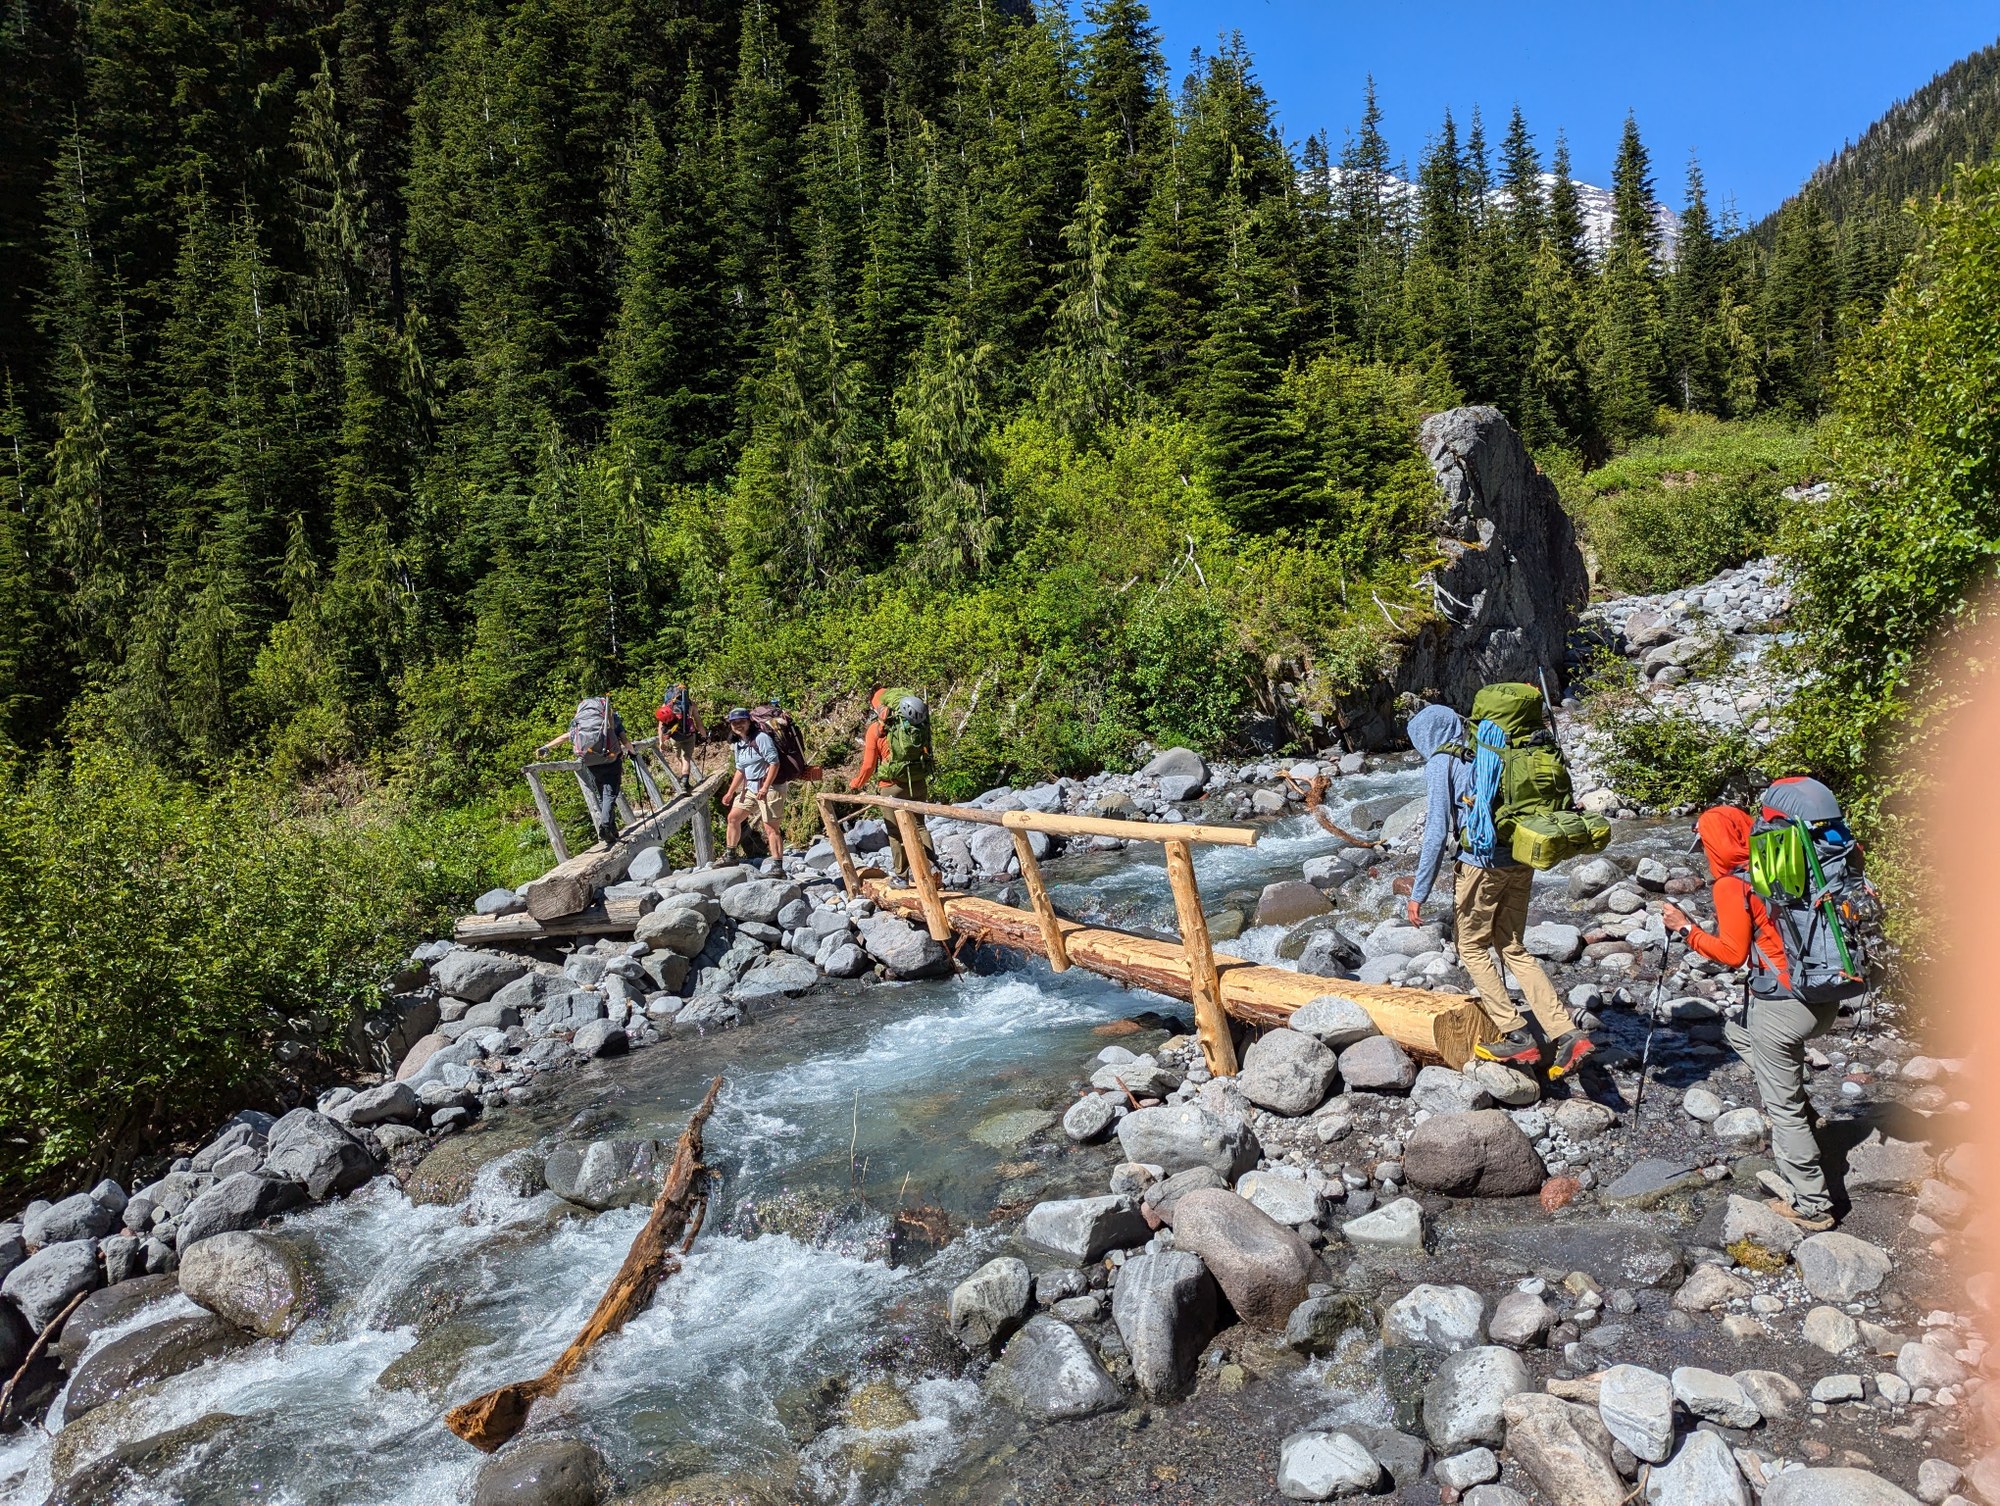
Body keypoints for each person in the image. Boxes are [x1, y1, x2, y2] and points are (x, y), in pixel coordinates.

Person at [1663, 804, 1837, 1231]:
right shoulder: (1787, 868)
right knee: (1736, 1029)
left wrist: (1686, 929)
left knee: (1783, 1108)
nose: (1705, 853)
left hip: (1783, 1008)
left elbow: (1731, 954)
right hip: (1825, 995)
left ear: (1717, 844)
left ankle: (1813, 1205)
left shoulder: (1732, 884)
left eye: (1706, 844)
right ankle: (1805, 1114)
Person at [1405, 702, 1594, 1079]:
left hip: (1481, 865)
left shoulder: (1442, 762)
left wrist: (1418, 892)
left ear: (1427, 736)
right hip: (1521, 858)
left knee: (1471, 946)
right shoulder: (1495, 751)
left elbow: (1436, 833)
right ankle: (1567, 1033)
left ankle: (1515, 1033)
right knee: (1511, 946)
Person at [848, 685, 937, 887]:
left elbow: (868, 766)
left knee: (895, 833)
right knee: (920, 825)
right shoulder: (915, 724)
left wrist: (856, 784)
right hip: (918, 782)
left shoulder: (876, 730)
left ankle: (901, 876)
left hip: (892, 787)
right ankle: (932, 868)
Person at [536, 696, 635, 846]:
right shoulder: (611, 718)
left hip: (590, 762)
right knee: (610, 794)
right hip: (611, 759)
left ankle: (612, 831)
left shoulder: (580, 724)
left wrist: (546, 747)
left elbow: (566, 737)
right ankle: (605, 825)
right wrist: (633, 752)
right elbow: (625, 740)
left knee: (602, 795)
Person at [722, 707, 787, 873]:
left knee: (770, 828)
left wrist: (765, 787)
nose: (738, 725)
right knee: (733, 818)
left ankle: (778, 867)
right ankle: (731, 856)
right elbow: (740, 769)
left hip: (770, 788)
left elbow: (774, 763)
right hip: (750, 788)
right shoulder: (739, 743)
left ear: (749, 722)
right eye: (734, 723)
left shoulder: (761, 738)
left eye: (742, 722)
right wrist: (730, 792)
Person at [655, 683, 701, 792]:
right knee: (686, 757)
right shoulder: (691, 704)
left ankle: (683, 781)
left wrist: (661, 742)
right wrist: (704, 735)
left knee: (680, 757)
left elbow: (661, 725)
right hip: (688, 735)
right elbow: (699, 723)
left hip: (674, 736)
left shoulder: (666, 705)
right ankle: (685, 781)